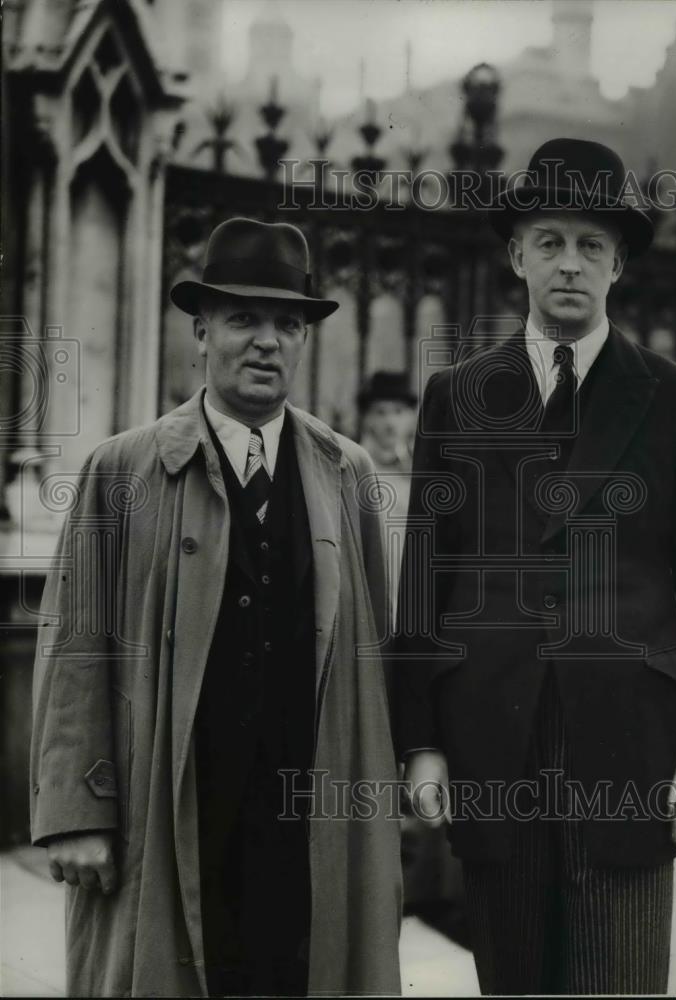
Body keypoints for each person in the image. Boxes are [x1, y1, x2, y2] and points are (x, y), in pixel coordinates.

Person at [394, 139, 676, 995]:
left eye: (591, 246)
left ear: (619, 263)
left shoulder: (675, 398)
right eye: (548, 242)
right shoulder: (456, 396)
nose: (569, 264)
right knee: (512, 978)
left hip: (632, 742)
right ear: (516, 255)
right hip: (491, 732)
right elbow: (425, 580)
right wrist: (424, 742)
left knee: (615, 976)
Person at [30, 218, 402, 997]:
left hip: (305, 818)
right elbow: (74, 650)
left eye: (286, 323)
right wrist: (75, 812)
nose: (266, 342)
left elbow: (376, 657)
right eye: (242, 320)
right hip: (171, 807)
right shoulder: (122, 470)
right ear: (200, 332)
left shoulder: (347, 475)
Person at [358, 371, 417, 599]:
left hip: (408, 588)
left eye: (399, 412)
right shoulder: (352, 467)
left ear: (412, 416)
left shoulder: (420, 470)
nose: (390, 422)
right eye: (380, 412)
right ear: (367, 418)